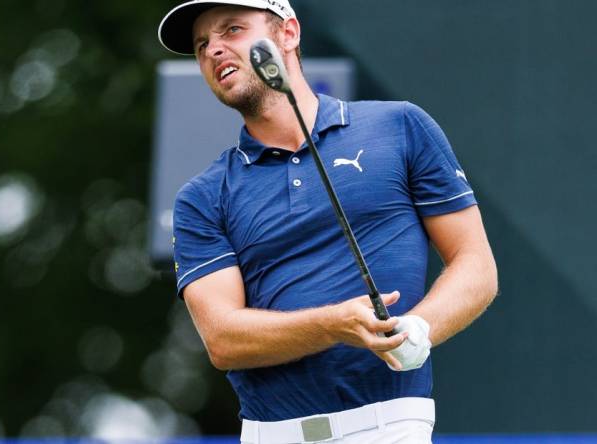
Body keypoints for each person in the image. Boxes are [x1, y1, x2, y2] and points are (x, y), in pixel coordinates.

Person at [158, 0, 498, 442]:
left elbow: (475, 264)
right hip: (270, 434)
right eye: (202, 44)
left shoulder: (399, 128)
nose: (214, 50)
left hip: (390, 426)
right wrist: (333, 324)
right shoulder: (202, 197)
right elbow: (224, 339)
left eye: (233, 30)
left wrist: (421, 326)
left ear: (289, 34)